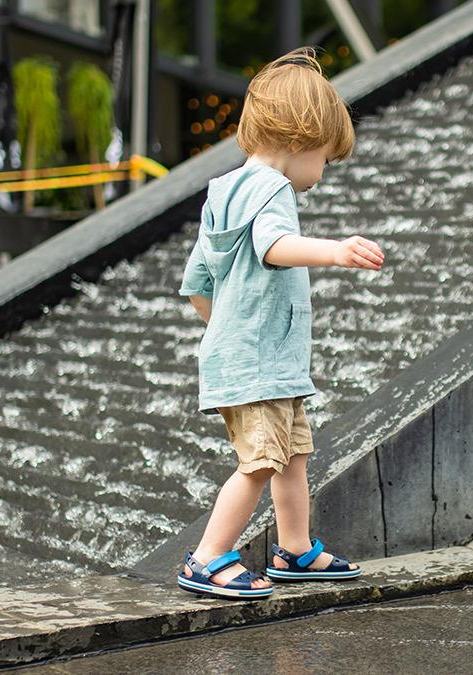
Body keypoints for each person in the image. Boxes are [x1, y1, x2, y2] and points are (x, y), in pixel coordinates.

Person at [175, 47, 386, 600]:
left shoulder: (221, 191)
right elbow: (273, 246)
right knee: (262, 461)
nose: (321, 172)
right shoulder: (272, 189)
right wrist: (336, 251)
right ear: (299, 141)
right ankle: (207, 556)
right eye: (323, 157)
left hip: (255, 356)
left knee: (292, 456)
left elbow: (197, 282)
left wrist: (227, 331)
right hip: (263, 362)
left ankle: (295, 549)